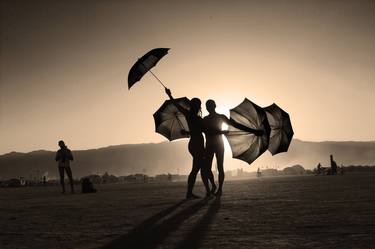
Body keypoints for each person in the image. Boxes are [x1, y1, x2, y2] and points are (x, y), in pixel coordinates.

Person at [203, 99, 263, 196]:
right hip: (211, 145)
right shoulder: (205, 119)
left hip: (218, 144)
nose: (208, 107)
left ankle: (220, 189)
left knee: (220, 167)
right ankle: (214, 185)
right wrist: (221, 132)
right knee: (207, 168)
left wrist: (253, 131)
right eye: (207, 105)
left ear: (214, 106)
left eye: (210, 105)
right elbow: (206, 131)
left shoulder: (220, 117)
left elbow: (236, 125)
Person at [165, 88, 212, 199]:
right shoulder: (191, 115)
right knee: (197, 168)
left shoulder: (191, 116)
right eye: (197, 104)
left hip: (196, 144)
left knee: (199, 168)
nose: (198, 106)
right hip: (197, 144)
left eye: (198, 104)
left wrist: (187, 132)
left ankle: (205, 191)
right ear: (194, 106)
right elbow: (176, 105)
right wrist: (170, 95)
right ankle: (193, 193)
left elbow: (195, 131)